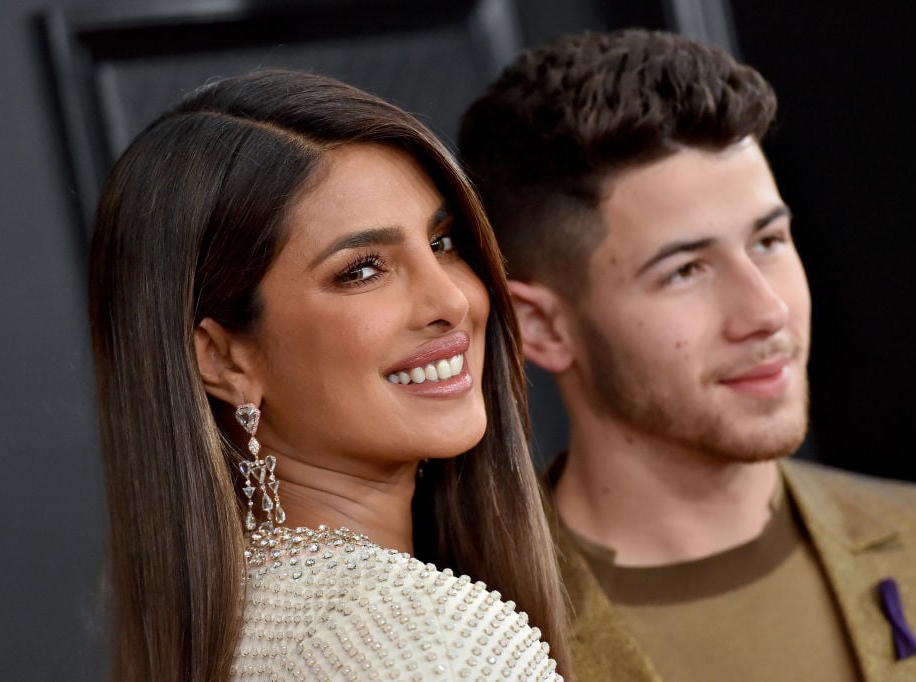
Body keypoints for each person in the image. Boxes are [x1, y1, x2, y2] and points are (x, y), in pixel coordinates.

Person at [458, 28, 916, 681]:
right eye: (686, 270)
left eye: (768, 240)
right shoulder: (461, 636)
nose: (766, 312)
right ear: (541, 327)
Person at [88, 68, 572, 681]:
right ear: (224, 359)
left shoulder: (239, 626)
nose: (450, 301)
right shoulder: (422, 634)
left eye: (444, 243)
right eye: (363, 269)